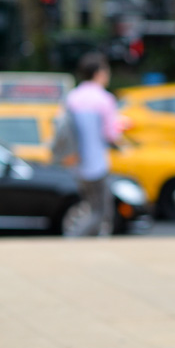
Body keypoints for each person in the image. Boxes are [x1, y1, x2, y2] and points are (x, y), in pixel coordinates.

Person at [64, 51, 122, 236]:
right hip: (97, 164)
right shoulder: (104, 99)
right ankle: (74, 240)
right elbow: (110, 133)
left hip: (77, 164)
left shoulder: (72, 97)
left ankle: (82, 246)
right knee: (102, 212)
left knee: (89, 207)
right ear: (98, 73)